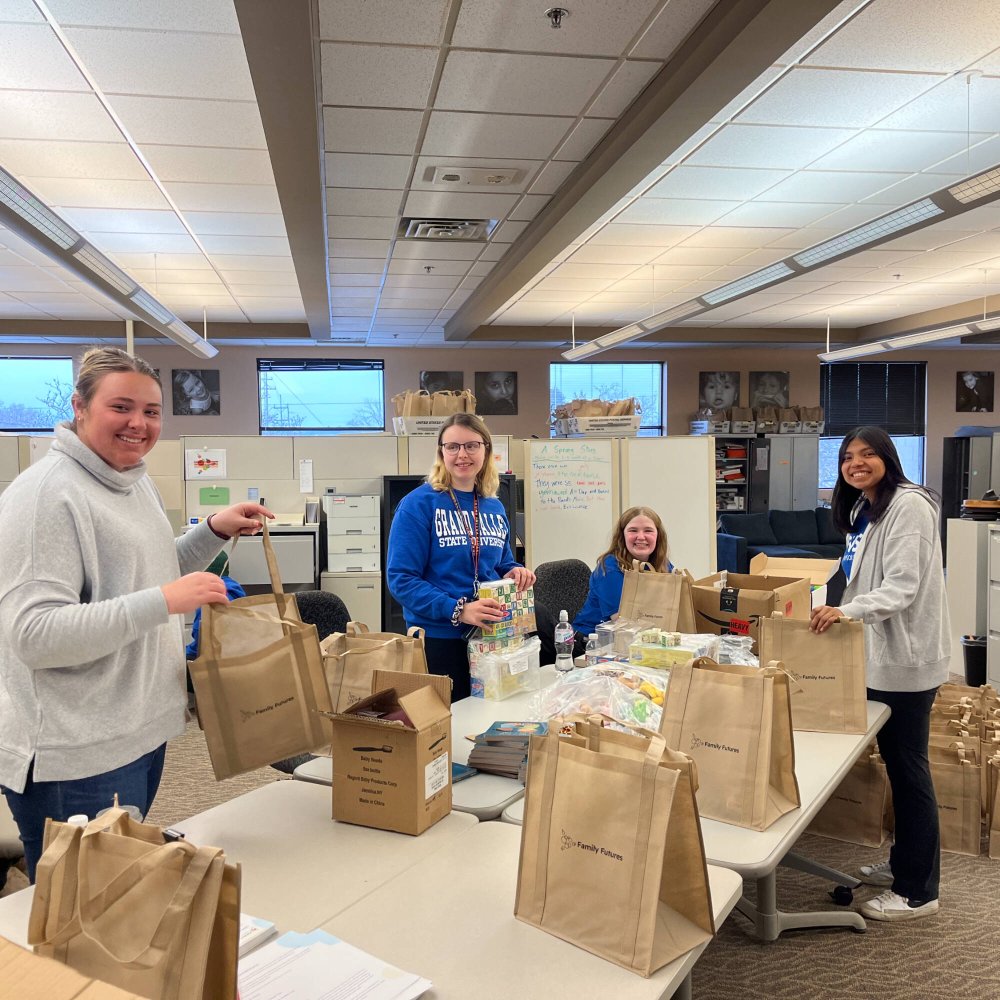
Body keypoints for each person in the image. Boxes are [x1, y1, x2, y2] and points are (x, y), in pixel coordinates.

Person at [0, 346, 272, 881]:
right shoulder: (46, 497)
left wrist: (211, 531)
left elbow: (149, 567)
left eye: (151, 411)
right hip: (74, 754)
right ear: (79, 407)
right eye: (121, 407)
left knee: (116, 901)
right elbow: (34, 635)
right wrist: (165, 602)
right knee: (78, 922)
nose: (138, 424)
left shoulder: (132, 478)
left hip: (138, 731)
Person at [810, 426, 948, 922]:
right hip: (877, 656)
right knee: (898, 764)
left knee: (910, 770)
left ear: (888, 458)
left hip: (905, 660)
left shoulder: (909, 505)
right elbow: (855, 577)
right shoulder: (868, 509)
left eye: (868, 454)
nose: (856, 463)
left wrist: (850, 613)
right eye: (848, 456)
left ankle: (918, 891)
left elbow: (902, 588)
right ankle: (903, 864)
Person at [386, 412, 535, 699]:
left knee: (491, 716)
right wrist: (459, 610)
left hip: (493, 636)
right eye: (452, 446)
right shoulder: (418, 504)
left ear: (486, 450)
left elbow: (500, 562)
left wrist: (515, 570)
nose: (462, 454)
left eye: (471, 445)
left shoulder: (493, 506)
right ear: (441, 452)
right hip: (439, 639)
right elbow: (401, 579)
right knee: (450, 726)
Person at [573, 506, 673, 639]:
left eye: (648, 530)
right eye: (633, 530)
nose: (641, 537)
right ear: (622, 536)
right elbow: (622, 621)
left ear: (658, 536)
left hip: (640, 637)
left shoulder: (662, 564)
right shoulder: (608, 568)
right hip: (592, 641)